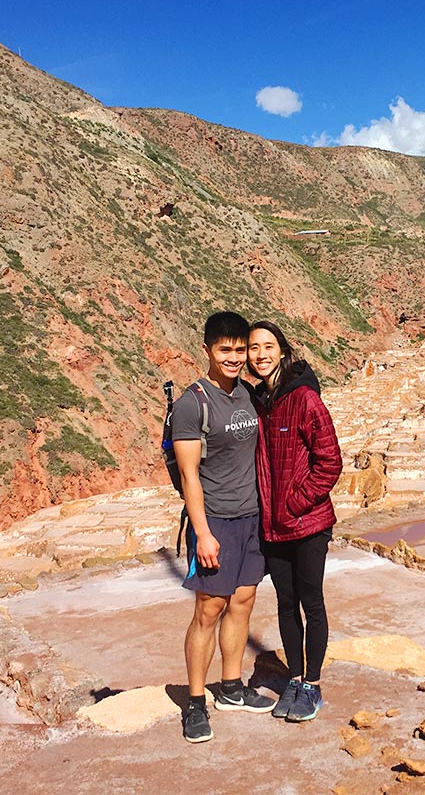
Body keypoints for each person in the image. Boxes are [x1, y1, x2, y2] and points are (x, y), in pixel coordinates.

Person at [172, 311, 275, 744]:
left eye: (239, 350)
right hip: (216, 521)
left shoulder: (248, 395)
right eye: (225, 350)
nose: (234, 358)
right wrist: (204, 532)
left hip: (251, 518)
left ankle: (231, 687)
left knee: (243, 601)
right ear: (208, 351)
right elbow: (189, 474)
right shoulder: (192, 403)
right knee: (209, 610)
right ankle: (196, 702)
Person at [247, 320, 343, 722]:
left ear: (283, 351)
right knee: (286, 605)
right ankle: (296, 677)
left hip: (307, 524)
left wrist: (293, 503)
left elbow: (330, 462)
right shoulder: (258, 403)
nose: (261, 354)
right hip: (274, 528)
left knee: (312, 602)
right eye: (254, 348)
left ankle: (313, 686)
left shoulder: (304, 399)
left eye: (268, 346)